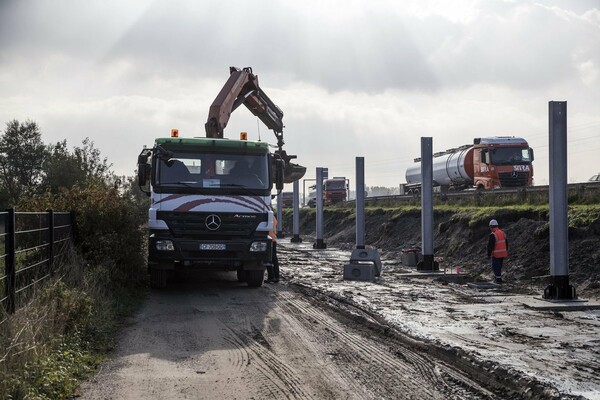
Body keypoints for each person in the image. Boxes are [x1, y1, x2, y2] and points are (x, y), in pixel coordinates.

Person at [487, 219, 508, 284]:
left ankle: (498, 280)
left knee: (495, 266)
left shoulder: (493, 234)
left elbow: (490, 245)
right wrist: (505, 250)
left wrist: (488, 254)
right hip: (503, 253)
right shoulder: (502, 232)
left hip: (496, 254)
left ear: (491, 226)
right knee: (499, 266)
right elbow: (506, 243)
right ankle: (498, 278)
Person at [266, 217, 280, 283]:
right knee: (274, 259)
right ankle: (276, 276)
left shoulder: (267, 217)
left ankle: (271, 276)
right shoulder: (273, 218)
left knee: (268, 258)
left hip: (268, 240)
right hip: (273, 240)